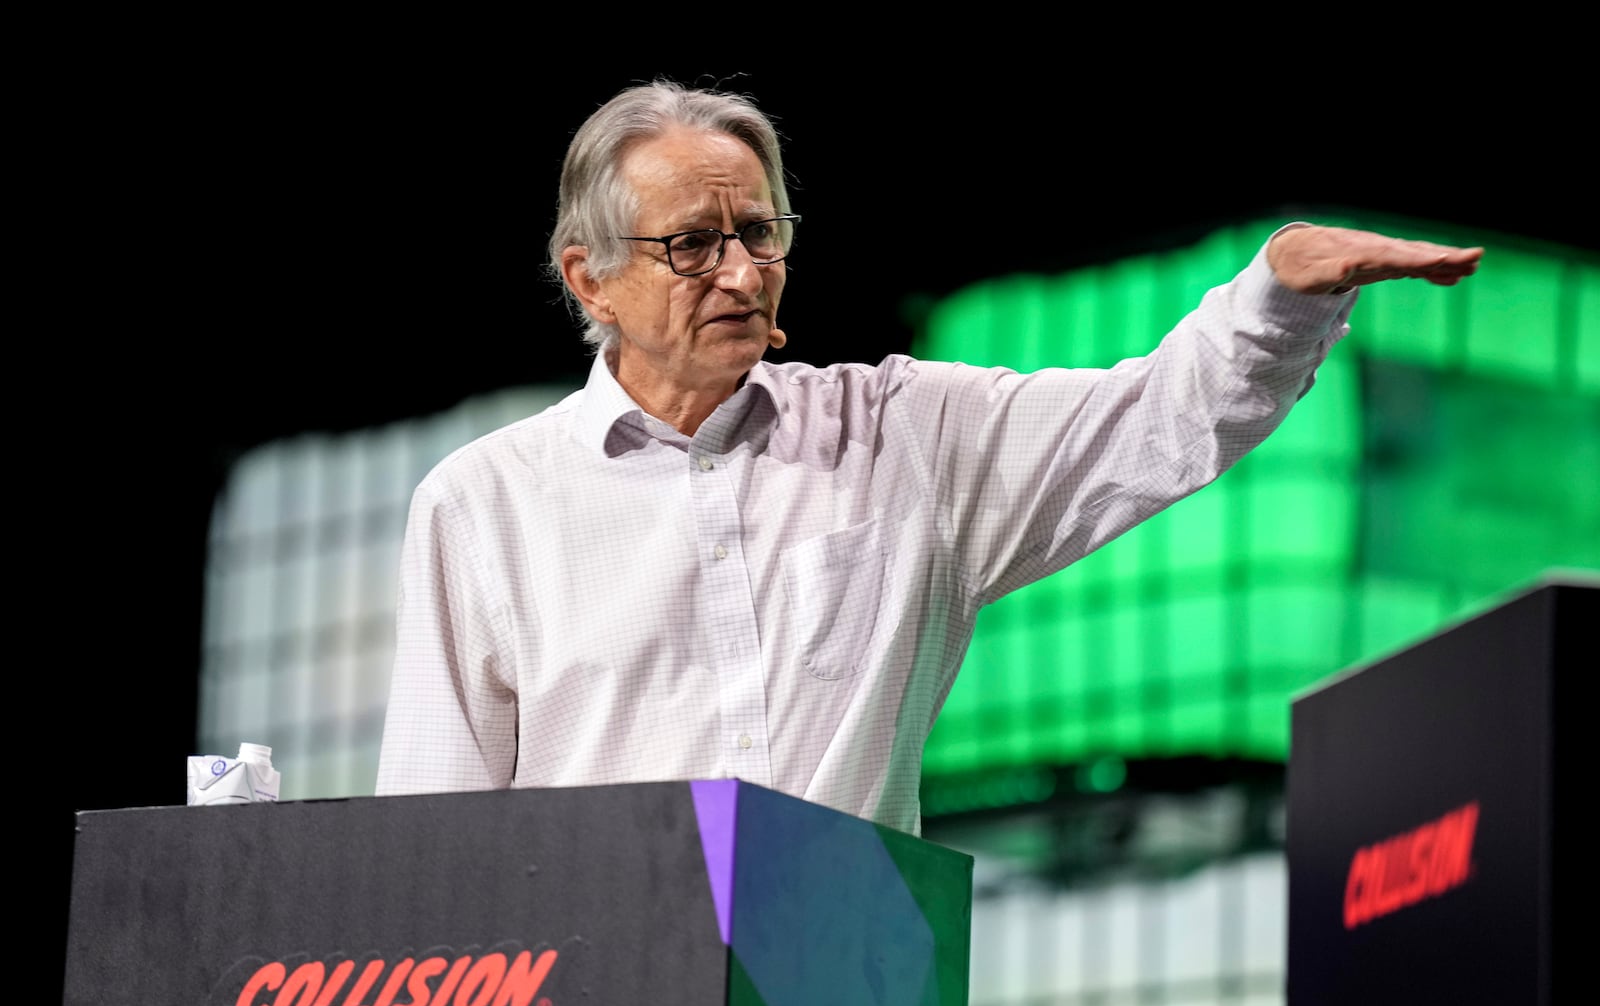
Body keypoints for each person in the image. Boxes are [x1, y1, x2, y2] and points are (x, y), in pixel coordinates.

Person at [374, 81, 1481, 834]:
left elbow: (1149, 419)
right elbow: (428, 830)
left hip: (843, 992)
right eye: (693, 245)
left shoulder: (904, 436)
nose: (742, 272)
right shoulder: (483, 504)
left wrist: (1276, 294)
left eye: (759, 234)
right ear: (589, 278)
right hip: (595, 1002)